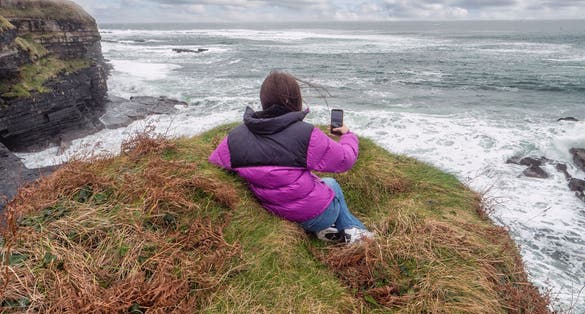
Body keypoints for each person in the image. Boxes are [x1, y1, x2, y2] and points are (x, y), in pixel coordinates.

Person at [208, 71, 374, 244]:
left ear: (263, 100)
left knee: (314, 182)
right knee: (333, 185)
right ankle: (357, 234)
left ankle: (331, 232)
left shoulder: (236, 137)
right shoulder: (305, 134)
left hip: (274, 211)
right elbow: (345, 160)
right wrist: (348, 135)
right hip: (315, 215)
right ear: (296, 99)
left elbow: (214, 163)